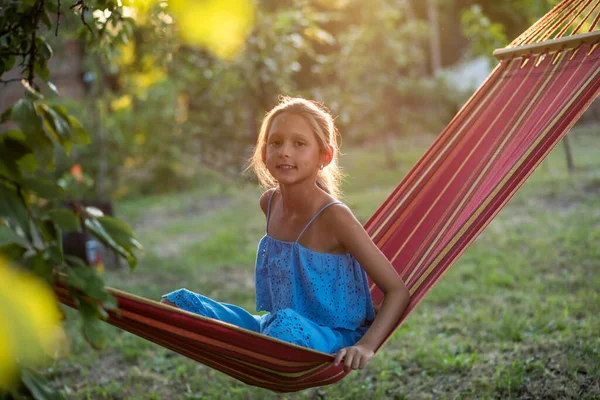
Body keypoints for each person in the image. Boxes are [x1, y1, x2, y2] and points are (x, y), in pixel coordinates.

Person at [161, 96, 410, 371]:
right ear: (264, 152)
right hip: (275, 327)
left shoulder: (334, 217)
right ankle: (253, 344)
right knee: (178, 303)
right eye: (276, 142)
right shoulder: (269, 203)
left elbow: (397, 290)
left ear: (324, 157)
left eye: (299, 144)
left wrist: (365, 345)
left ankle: (260, 345)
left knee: (283, 331)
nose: (284, 152)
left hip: (329, 337)